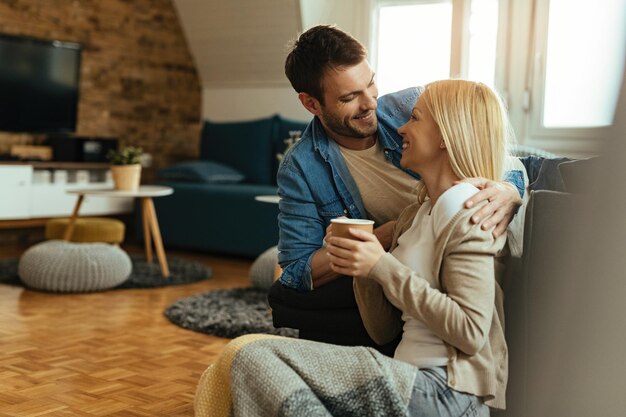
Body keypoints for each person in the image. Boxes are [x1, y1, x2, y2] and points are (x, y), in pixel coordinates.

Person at [277, 25, 526, 292]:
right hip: (415, 261)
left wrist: (509, 189)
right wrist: (387, 235)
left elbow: (495, 153)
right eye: (349, 97)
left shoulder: (410, 104)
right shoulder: (301, 167)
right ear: (311, 104)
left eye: (370, 83)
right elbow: (296, 269)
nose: (370, 103)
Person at [325, 79, 512, 414]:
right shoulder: (415, 215)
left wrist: (382, 266)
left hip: (447, 390)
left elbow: (471, 331)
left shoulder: (469, 206)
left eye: (414, 117)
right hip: (407, 380)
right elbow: (382, 332)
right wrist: (364, 268)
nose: (400, 128)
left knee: (258, 357)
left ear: (445, 135)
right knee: (258, 360)